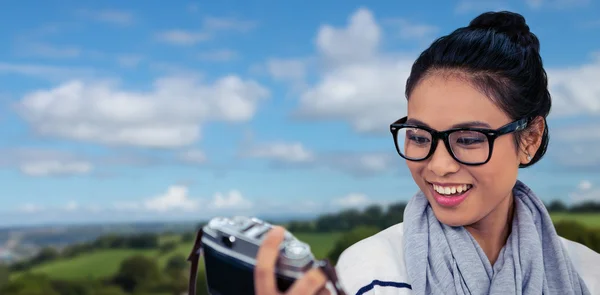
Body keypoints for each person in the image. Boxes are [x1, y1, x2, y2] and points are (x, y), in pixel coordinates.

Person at [252, 10, 600, 295]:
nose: (438, 165)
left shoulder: (589, 274)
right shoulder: (368, 273)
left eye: (468, 139)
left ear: (529, 139)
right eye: (419, 137)